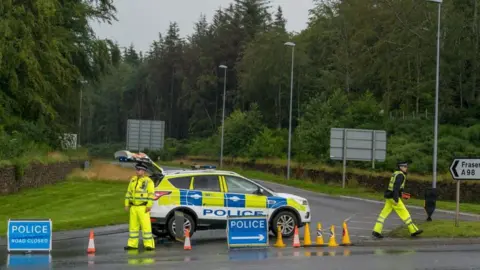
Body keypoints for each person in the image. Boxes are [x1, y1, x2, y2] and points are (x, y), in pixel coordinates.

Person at [372, 161, 423, 239]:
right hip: (393, 198)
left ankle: (376, 231)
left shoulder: (396, 173)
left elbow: (394, 187)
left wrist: (402, 194)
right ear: (401, 167)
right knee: (405, 213)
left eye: (406, 167)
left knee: (383, 215)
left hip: (389, 196)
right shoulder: (400, 176)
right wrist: (396, 198)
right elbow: (396, 188)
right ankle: (413, 231)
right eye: (405, 167)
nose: (406, 168)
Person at [124, 162, 156, 250]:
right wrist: (126, 204)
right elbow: (128, 193)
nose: (137, 171)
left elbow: (151, 194)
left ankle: (149, 245)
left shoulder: (148, 181)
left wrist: (149, 205)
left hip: (143, 207)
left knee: (146, 227)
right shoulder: (133, 180)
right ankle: (132, 244)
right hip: (133, 207)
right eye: (136, 169)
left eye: (139, 170)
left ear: (144, 171)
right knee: (133, 227)